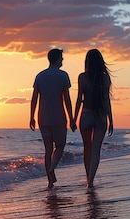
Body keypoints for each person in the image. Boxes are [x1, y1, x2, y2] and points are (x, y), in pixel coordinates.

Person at [30, 48, 75, 189]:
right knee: (60, 146)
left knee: (48, 150)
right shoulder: (63, 75)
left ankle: (50, 182)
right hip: (58, 117)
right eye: (61, 58)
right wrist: (72, 118)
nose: (63, 60)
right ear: (57, 59)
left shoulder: (40, 76)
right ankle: (52, 169)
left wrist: (31, 117)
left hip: (43, 117)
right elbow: (67, 99)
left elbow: (34, 99)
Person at [73, 48, 113, 189]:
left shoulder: (82, 77)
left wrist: (73, 117)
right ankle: (91, 180)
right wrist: (111, 120)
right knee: (96, 149)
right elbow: (106, 100)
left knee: (87, 148)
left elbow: (79, 99)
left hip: (85, 115)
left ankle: (88, 177)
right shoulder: (105, 78)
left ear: (87, 62)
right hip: (101, 116)